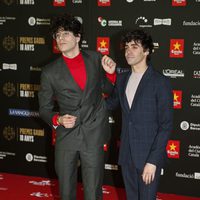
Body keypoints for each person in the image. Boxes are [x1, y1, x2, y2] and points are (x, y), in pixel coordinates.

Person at [38, 13, 116, 200]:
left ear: (78, 37)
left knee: (92, 192)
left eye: (65, 34)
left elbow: (106, 90)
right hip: (67, 137)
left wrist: (111, 75)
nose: (60, 39)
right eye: (57, 35)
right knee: (66, 192)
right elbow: (44, 109)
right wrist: (58, 119)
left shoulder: (96, 59)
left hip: (94, 134)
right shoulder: (49, 72)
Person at [106, 29, 173, 200]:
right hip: (127, 155)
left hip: (148, 157)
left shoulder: (160, 82)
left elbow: (166, 126)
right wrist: (108, 76)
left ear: (147, 51)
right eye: (126, 47)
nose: (128, 51)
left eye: (134, 47)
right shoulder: (122, 79)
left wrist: (153, 161)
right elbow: (109, 105)